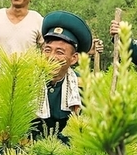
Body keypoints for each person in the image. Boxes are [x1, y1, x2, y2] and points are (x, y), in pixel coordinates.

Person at [34, 11, 94, 141]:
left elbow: (83, 131)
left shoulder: (81, 87)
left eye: (59, 52)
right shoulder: (27, 81)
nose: (51, 57)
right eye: (47, 50)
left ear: (73, 59)